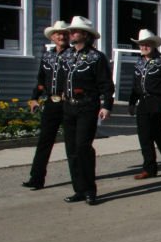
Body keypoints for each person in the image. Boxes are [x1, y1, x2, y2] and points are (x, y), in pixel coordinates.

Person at [61, 16, 115, 206]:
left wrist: (106, 105)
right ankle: (79, 189)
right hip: (68, 106)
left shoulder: (96, 57)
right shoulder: (66, 55)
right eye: (71, 31)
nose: (71, 34)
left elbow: (106, 84)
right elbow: (60, 79)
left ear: (85, 35)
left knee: (83, 147)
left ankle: (90, 190)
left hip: (87, 106)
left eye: (75, 31)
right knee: (71, 150)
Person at [22, 20, 71, 190]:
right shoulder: (47, 56)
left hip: (68, 103)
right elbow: (41, 80)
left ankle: (80, 179)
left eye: (64, 33)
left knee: (72, 143)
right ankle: (36, 178)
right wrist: (34, 98)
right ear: (52, 37)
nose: (61, 36)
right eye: (58, 34)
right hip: (51, 102)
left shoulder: (74, 56)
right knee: (44, 141)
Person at [128, 29, 161, 180]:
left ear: (154, 45)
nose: (144, 47)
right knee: (144, 136)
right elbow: (135, 85)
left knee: (157, 134)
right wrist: (131, 102)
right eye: (142, 44)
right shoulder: (138, 62)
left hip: (158, 101)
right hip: (143, 102)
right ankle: (149, 168)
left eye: (147, 44)